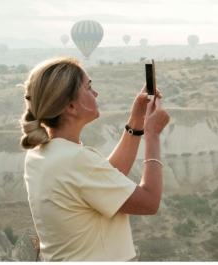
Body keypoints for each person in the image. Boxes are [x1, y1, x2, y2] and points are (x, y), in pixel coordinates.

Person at [20, 57, 171, 261]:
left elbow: (106, 178)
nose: (96, 93)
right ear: (71, 107)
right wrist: (152, 136)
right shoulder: (75, 160)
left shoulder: (41, 154)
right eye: (89, 87)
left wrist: (136, 121)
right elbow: (149, 202)